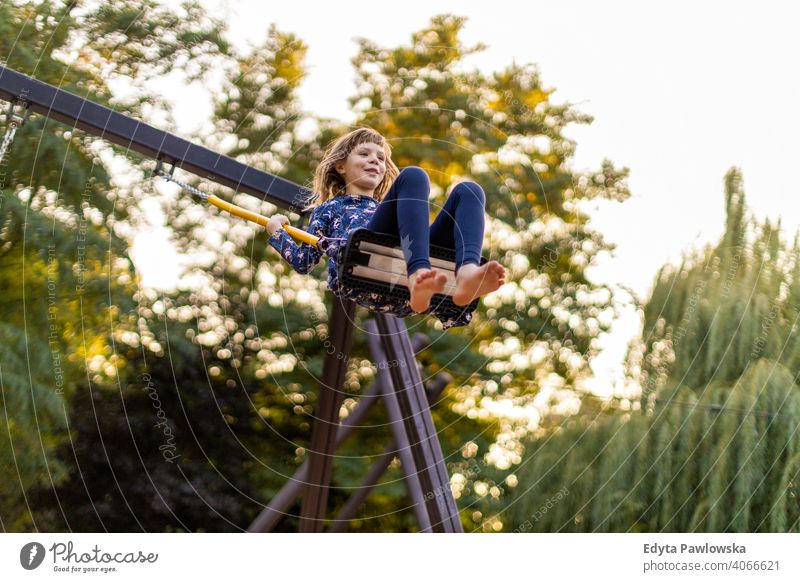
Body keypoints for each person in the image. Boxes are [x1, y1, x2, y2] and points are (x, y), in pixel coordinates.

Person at [266, 127, 506, 329]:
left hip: (407, 275)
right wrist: (276, 231)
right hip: (366, 265)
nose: (375, 160)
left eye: (381, 158)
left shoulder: (390, 208)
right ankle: (418, 274)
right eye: (364, 153)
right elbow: (303, 261)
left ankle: (465, 274)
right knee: (413, 175)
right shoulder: (329, 209)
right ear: (341, 166)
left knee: (470, 190)